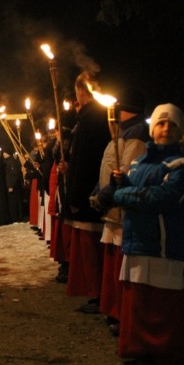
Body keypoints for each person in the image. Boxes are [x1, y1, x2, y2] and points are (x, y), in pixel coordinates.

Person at [98, 103, 184, 365]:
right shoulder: (139, 162)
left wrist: (119, 195)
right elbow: (138, 191)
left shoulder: (180, 165)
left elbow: (160, 198)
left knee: (163, 304)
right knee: (140, 301)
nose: (165, 129)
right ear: (153, 129)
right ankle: (140, 347)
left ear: (179, 131)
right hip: (137, 241)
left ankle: (167, 353)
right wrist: (122, 182)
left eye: (172, 125)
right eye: (161, 124)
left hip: (163, 245)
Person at [90, 88, 149, 336]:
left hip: (123, 212)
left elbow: (126, 171)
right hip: (113, 212)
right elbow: (108, 169)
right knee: (114, 265)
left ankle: (124, 313)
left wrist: (104, 197)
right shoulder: (120, 134)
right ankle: (114, 309)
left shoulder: (135, 136)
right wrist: (97, 191)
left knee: (123, 267)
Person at [63, 72, 110, 313]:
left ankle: (100, 295)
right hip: (92, 191)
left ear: (85, 91)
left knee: (93, 251)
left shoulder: (93, 119)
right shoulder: (92, 118)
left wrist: (74, 197)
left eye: (78, 91)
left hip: (88, 195)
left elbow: (87, 161)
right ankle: (99, 294)